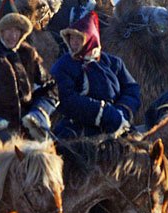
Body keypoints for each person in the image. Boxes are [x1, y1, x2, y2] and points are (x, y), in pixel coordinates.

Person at [0, 3, 58, 142]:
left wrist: (38, 114)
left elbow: (49, 87)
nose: (13, 35)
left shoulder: (27, 54)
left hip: (24, 129)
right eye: (8, 30)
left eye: (17, 30)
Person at [52, 10, 140, 138]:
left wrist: (122, 112)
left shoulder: (113, 63)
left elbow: (131, 89)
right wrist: (102, 113)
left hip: (117, 126)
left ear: (91, 38)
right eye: (71, 38)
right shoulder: (64, 64)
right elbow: (65, 98)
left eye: (79, 38)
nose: (74, 42)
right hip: (77, 130)